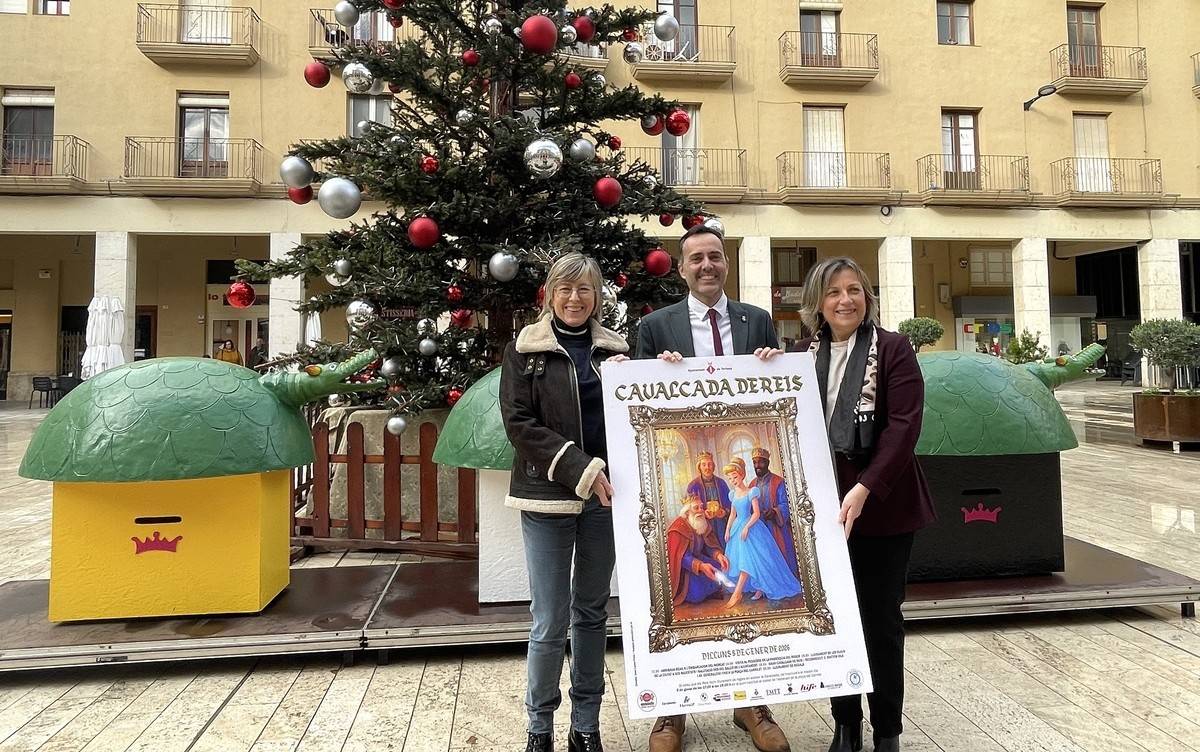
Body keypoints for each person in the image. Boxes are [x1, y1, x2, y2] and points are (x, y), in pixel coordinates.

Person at [631, 222, 791, 752]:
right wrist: (656, 371)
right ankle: (671, 711)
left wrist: (774, 364)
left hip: (728, 525)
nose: (706, 266)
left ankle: (751, 704)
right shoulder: (656, 327)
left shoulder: (757, 321)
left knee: (740, 595)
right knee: (669, 591)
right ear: (682, 268)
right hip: (685, 525)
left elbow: (776, 394)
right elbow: (639, 402)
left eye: (715, 257)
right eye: (696, 258)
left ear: (727, 263)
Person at [791, 256, 937, 752]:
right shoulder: (802, 356)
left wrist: (865, 486)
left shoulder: (894, 349)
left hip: (883, 504)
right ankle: (846, 723)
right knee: (834, 621)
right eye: (833, 293)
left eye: (854, 290)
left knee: (879, 621)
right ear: (818, 303)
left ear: (867, 297)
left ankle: (887, 732)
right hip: (823, 506)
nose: (845, 300)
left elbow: (904, 427)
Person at [500, 252, 629, 752]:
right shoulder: (524, 350)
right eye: (565, 289)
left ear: (597, 296)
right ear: (549, 295)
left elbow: (639, 412)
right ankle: (539, 729)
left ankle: (586, 725)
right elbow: (519, 424)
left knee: (592, 613)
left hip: (605, 503)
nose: (575, 299)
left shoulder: (614, 351)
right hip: (547, 498)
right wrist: (583, 468)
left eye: (585, 289)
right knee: (550, 617)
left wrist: (650, 373)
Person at [722, 458, 804, 608]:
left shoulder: (751, 492)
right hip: (737, 529)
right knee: (743, 559)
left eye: (735, 477)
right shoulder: (732, 495)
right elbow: (733, 515)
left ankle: (737, 593)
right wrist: (728, 530)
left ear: (741, 475)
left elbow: (756, 513)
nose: (733, 480)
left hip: (752, 527)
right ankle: (758, 588)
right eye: (730, 478)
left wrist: (747, 527)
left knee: (749, 560)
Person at [666, 494, 730, 606]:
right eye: (696, 508)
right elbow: (682, 558)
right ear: (687, 512)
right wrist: (701, 566)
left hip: (699, 558)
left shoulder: (700, 522)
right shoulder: (677, 529)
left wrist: (718, 555)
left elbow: (709, 546)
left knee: (718, 566)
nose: (700, 510)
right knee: (697, 594)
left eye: (701, 507)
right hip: (685, 569)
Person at [750, 447, 798, 577]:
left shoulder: (779, 482)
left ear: (767, 463)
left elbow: (786, 504)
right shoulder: (751, 484)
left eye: (761, 462)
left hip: (776, 528)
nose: (757, 466)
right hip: (760, 529)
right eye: (754, 462)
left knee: (781, 556)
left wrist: (774, 512)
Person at [684, 451, 732, 544]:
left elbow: (730, 504)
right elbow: (689, 510)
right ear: (699, 467)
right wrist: (702, 513)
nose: (707, 468)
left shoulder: (721, 483)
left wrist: (724, 512)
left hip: (721, 523)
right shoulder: (693, 485)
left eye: (709, 464)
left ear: (713, 466)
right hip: (703, 525)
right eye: (704, 465)